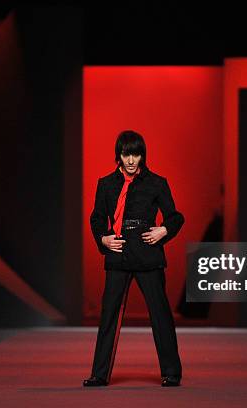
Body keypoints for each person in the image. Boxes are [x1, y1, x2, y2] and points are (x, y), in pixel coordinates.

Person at [83, 130, 184, 387]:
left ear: (142, 156)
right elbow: (96, 218)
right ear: (118, 155)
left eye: (136, 154)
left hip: (148, 254)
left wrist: (164, 230)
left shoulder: (157, 183)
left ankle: (171, 373)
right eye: (126, 154)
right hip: (118, 254)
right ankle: (99, 374)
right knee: (109, 316)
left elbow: (175, 217)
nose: (130, 160)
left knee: (160, 314)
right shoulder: (105, 184)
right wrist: (103, 239)